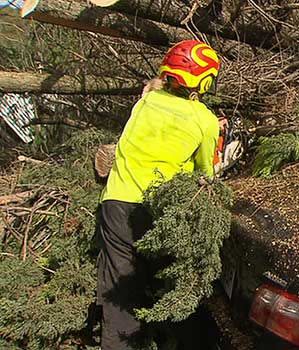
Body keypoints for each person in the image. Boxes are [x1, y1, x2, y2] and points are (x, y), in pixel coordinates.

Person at [96, 39, 221, 349]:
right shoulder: (205, 120)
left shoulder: (145, 103)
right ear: (204, 82)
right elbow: (206, 174)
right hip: (162, 211)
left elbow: (153, 90)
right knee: (177, 286)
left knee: (119, 295)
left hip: (116, 203)